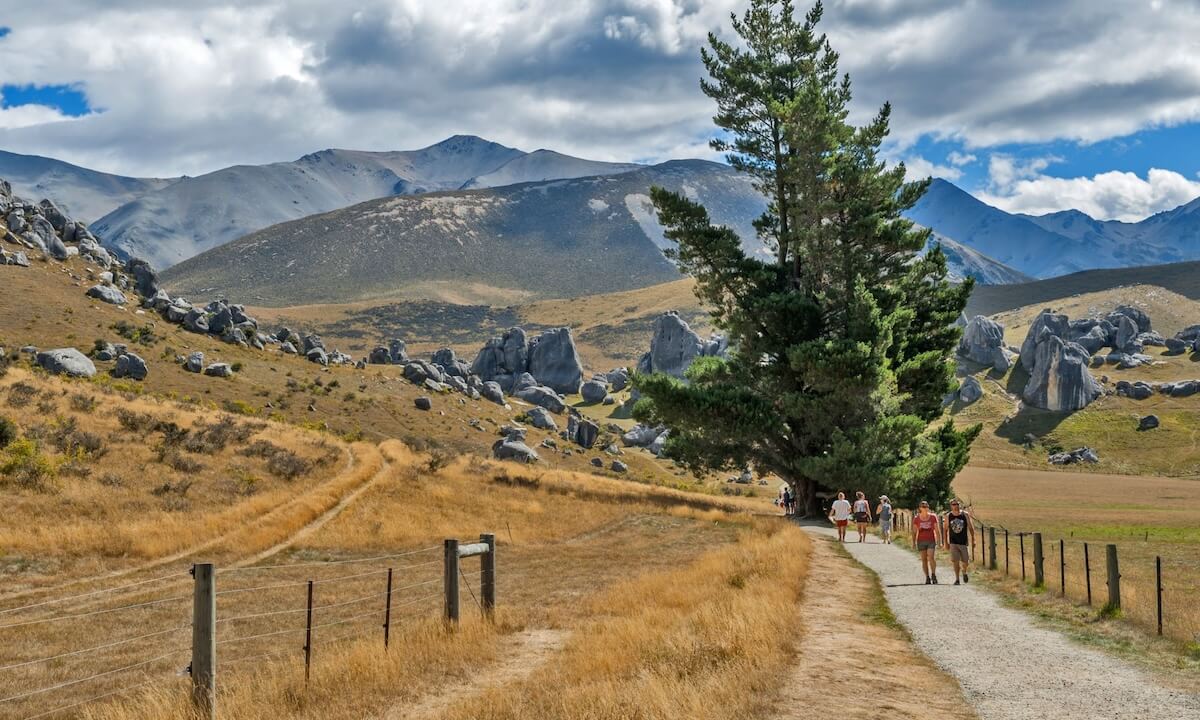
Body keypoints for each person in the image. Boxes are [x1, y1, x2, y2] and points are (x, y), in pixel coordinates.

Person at [943, 499, 974, 585]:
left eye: (957, 504)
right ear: (951, 506)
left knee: (966, 562)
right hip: (953, 542)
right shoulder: (948, 516)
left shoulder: (965, 515)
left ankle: (964, 572)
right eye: (953, 504)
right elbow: (945, 530)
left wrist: (973, 539)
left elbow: (971, 527)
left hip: (963, 542)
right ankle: (957, 579)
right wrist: (946, 543)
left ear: (959, 505)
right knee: (955, 561)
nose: (955, 505)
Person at [912, 500, 941, 584]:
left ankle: (933, 574)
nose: (924, 508)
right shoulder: (917, 518)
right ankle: (927, 577)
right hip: (921, 541)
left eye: (926, 506)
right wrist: (913, 542)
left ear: (928, 507)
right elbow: (914, 531)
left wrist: (939, 542)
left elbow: (937, 530)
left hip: (931, 540)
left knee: (931, 557)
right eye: (923, 506)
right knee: (924, 560)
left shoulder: (933, 517)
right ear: (920, 508)